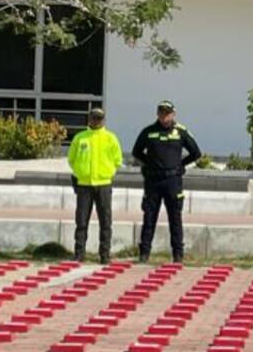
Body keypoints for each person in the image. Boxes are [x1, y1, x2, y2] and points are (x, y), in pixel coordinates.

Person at [131, 100, 202, 263]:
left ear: (173, 114)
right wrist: (149, 164)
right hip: (153, 181)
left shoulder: (181, 132)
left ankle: (178, 255)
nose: (164, 116)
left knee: (175, 218)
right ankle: (144, 254)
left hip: (172, 181)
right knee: (149, 218)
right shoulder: (148, 131)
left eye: (167, 113)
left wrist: (180, 165)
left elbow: (196, 153)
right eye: (161, 112)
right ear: (157, 113)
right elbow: (136, 152)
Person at [67, 107, 123, 264]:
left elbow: (118, 160)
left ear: (103, 120)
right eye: (94, 118)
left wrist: (108, 172)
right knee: (81, 221)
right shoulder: (80, 138)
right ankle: (79, 254)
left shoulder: (110, 138)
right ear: (89, 119)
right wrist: (80, 172)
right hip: (84, 184)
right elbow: (71, 159)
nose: (96, 121)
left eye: (99, 118)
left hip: (104, 184)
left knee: (105, 221)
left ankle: (105, 254)